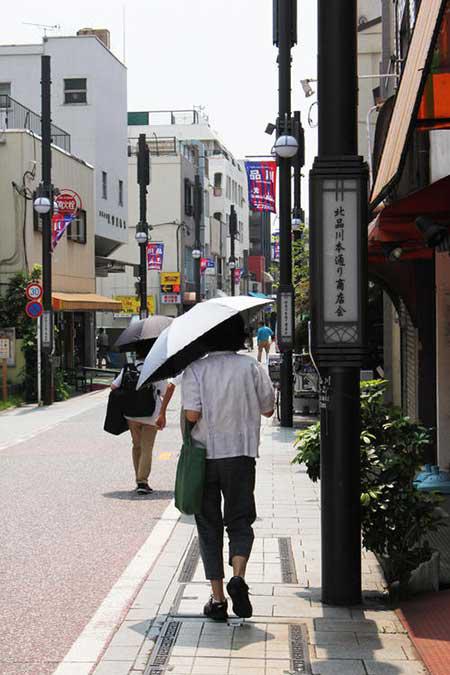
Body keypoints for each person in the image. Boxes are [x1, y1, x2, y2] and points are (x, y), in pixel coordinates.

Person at [182, 314, 275, 621]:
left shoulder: (196, 369)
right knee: (240, 519)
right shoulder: (251, 367)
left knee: (208, 525)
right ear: (240, 336)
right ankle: (238, 575)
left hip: (205, 457)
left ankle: (218, 599)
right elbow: (269, 408)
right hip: (241, 454)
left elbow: (192, 414)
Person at [111, 343, 171, 494]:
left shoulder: (128, 368)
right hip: (151, 415)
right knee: (147, 447)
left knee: (136, 445)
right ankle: (142, 482)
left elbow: (113, 386)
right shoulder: (155, 369)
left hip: (131, 414)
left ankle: (138, 479)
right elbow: (164, 391)